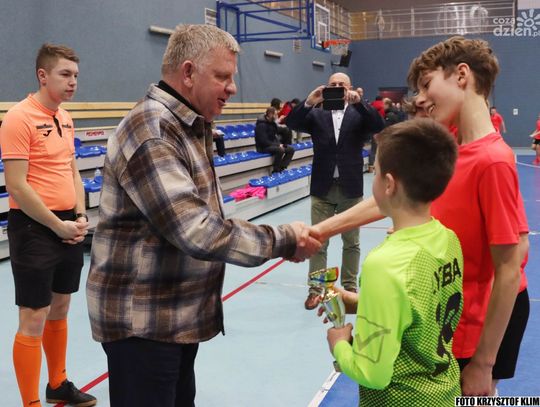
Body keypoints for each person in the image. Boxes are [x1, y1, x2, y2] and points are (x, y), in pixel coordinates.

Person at [86, 24, 320, 407]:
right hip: (143, 325)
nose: (232, 88)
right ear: (189, 72)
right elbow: (195, 229)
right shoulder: (153, 131)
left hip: (172, 319)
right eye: (223, 77)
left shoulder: (187, 124)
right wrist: (282, 239)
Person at [311, 36, 529, 397]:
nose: (421, 98)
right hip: (448, 305)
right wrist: (321, 230)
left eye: (427, 85)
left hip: (484, 317)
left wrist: (484, 363)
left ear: (462, 75)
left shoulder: (492, 161)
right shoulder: (449, 143)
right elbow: (395, 196)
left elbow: (510, 267)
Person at [326, 118, 462, 406]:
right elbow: (418, 307)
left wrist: (339, 344)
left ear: (389, 184)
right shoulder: (449, 239)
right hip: (446, 393)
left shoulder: (384, 265)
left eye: (375, 172)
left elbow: (371, 372)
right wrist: (361, 302)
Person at [0, 44, 96, 406]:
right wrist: (57, 225)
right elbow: (17, 186)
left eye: (76, 76)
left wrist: (81, 214)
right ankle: (30, 403)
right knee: (33, 316)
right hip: (34, 229)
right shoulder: (18, 118)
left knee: (60, 308)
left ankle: (57, 383)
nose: (73, 82)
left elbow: (72, 171)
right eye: (65, 74)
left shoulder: (65, 117)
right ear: (43, 75)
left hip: (68, 224)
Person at [286, 73, 384, 310]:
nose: (338, 88)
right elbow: (291, 123)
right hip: (323, 187)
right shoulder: (316, 114)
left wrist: (360, 103)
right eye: (333, 85)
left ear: (350, 88)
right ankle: (316, 290)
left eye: (342, 85)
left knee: (352, 242)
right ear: (326, 87)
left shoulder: (358, 114)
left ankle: (349, 288)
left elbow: (378, 125)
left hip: (350, 187)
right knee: (317, 241)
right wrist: (309, 101)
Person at [255, 107, 295, 173]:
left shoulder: (272, 123)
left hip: (272, 144)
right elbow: (263, 141)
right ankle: (276, 170)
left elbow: (277, 131)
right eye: (276, 114)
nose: (277, 116)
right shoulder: (261, 125)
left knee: (291, 149)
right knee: (280, 150)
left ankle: (282, 168)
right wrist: (278, 145)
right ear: (270, 114)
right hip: (263, 147)